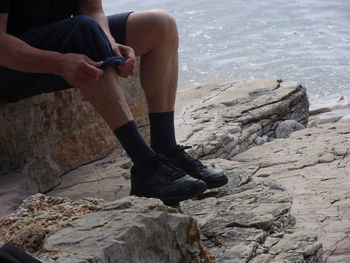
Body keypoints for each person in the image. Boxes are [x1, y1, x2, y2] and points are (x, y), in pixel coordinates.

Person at [0, 0, 228, 205]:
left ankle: (166, 150)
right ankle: (145, 167)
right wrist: (59, 63)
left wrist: (109, 44)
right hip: (9, 64)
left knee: (160, 24)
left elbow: (92, 9)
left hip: (58, 40)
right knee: (84, 30)